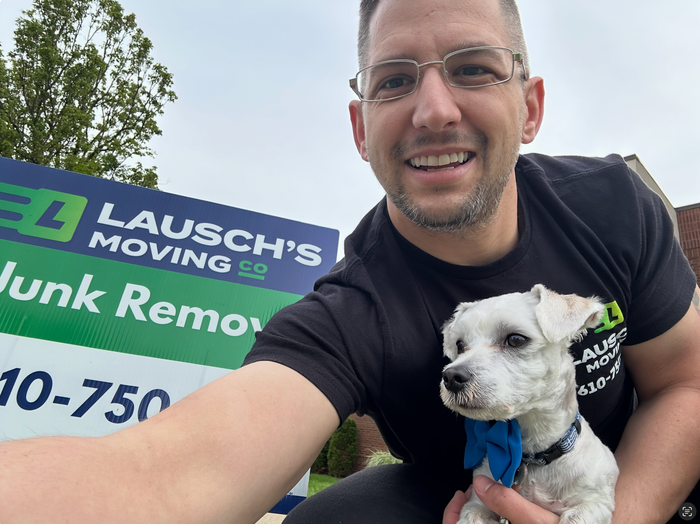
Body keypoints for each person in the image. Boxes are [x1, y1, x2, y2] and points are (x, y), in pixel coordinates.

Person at [0, 0, 699, 523]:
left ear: (531, 105)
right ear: (362, 128)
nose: (433, 110)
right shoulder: (354, 312)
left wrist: (617, 514)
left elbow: (685, 386)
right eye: (393, 81)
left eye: (474, 69)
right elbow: (168, 477)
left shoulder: (611, 207)